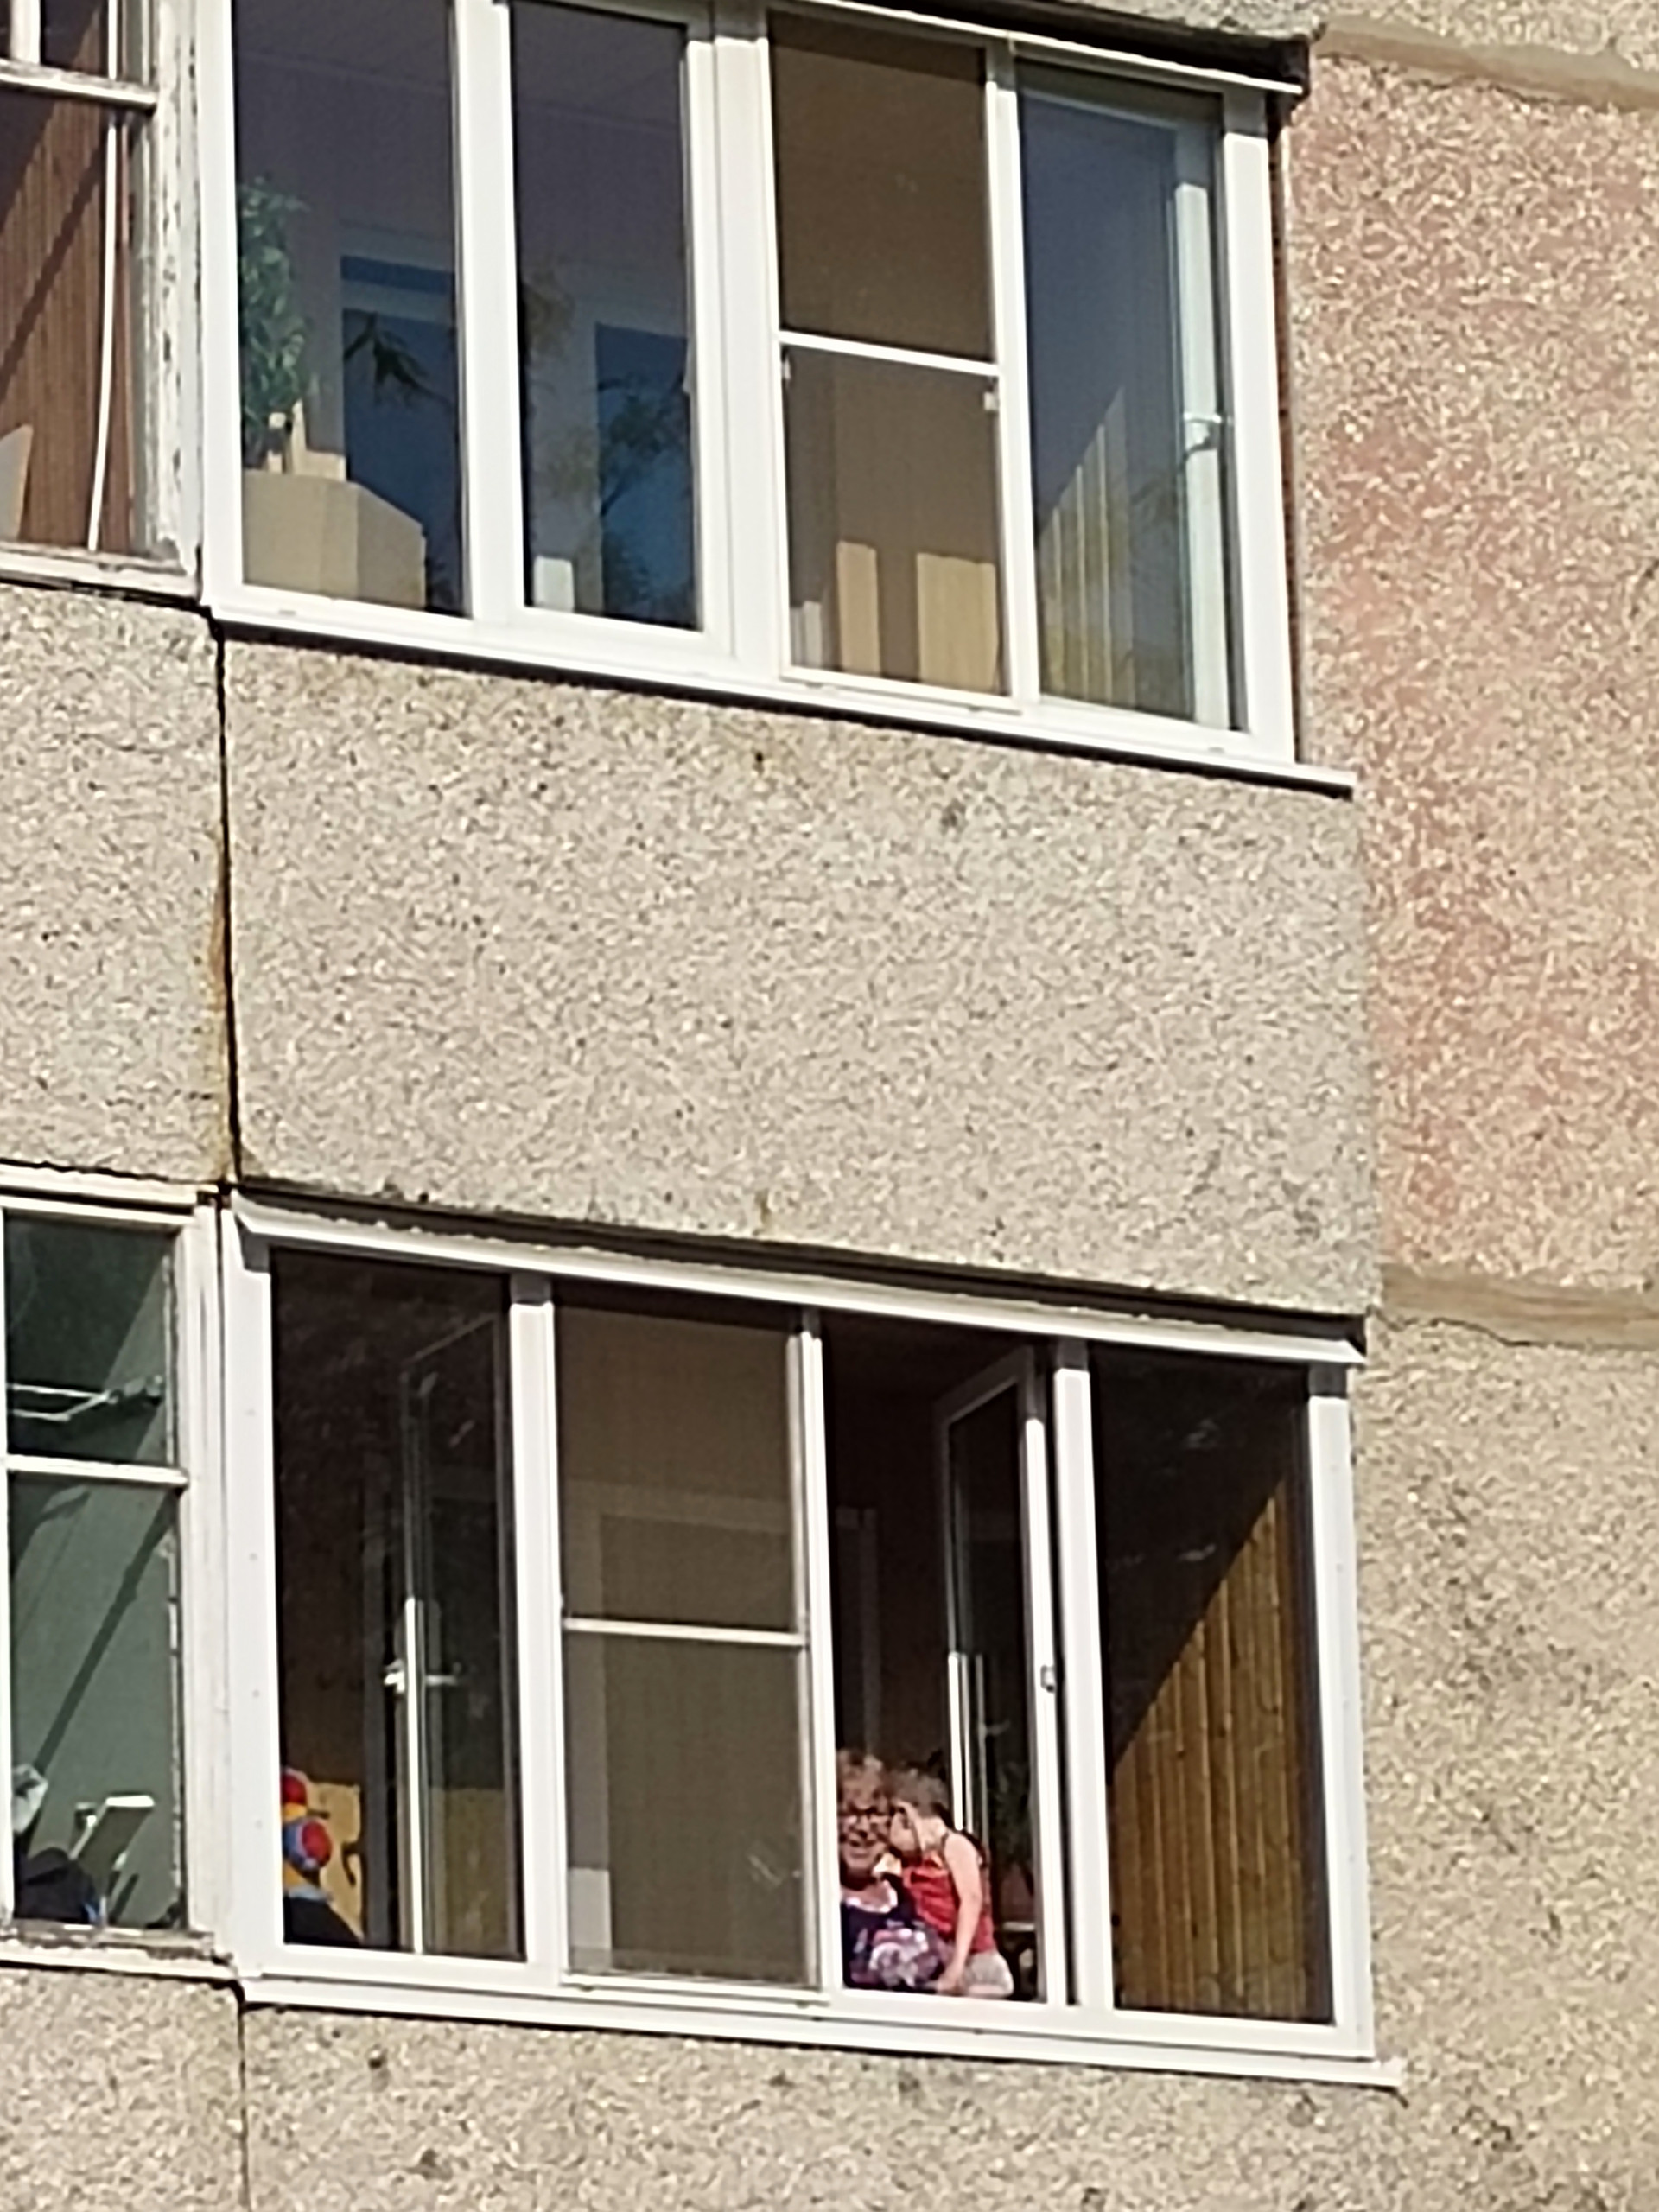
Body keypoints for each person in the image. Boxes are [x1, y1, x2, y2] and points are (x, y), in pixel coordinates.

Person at [887, 1765, 1014, 1999]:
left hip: (974, 1959)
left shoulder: (954, 1846)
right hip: (937, 1958)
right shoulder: (909, 1863)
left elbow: (971, 1900)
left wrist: (957, 1964)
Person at [836, 1750, 946, 1993]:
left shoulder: (903, 1891)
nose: (864, 1828)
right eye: (849, 1813)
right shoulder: (814, 1907)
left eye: (875, 1814)